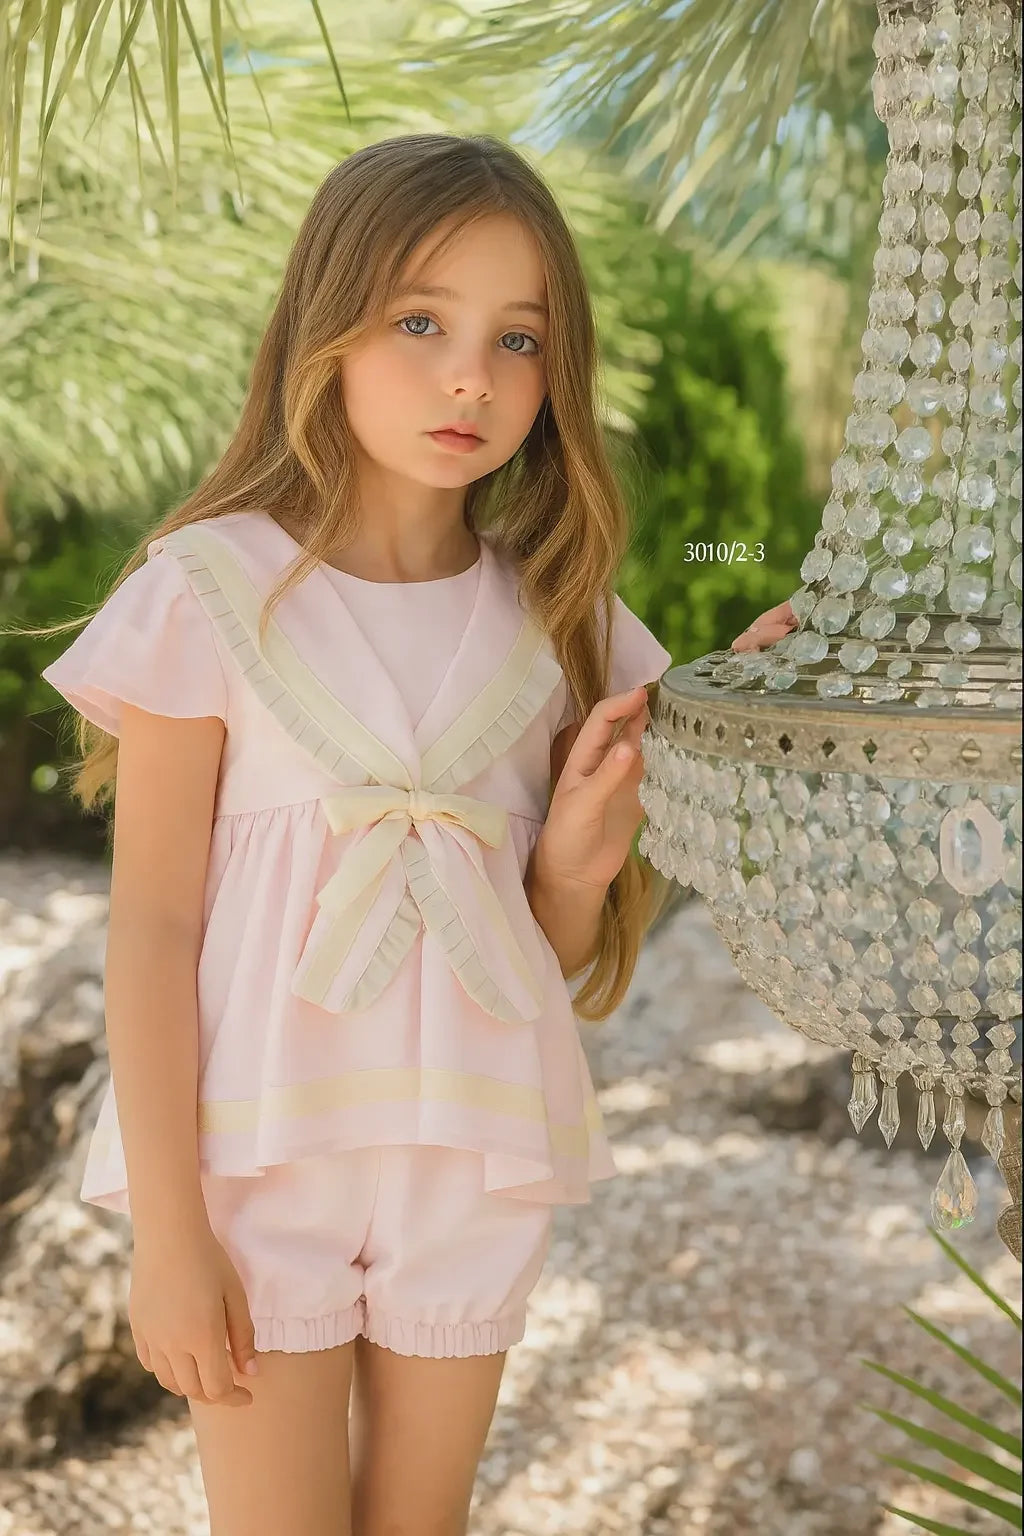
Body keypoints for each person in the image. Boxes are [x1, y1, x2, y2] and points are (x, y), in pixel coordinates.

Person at [38, 133, 792, 1536]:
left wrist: (578, 859)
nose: (472, 377)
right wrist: (169, 1233)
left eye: (519, 340)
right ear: (323, 327)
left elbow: (542, 942)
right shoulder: (210, 591)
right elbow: (149, 928)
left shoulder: (558, 620)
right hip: (256, 1160)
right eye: (423, 321)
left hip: (471, 1158)